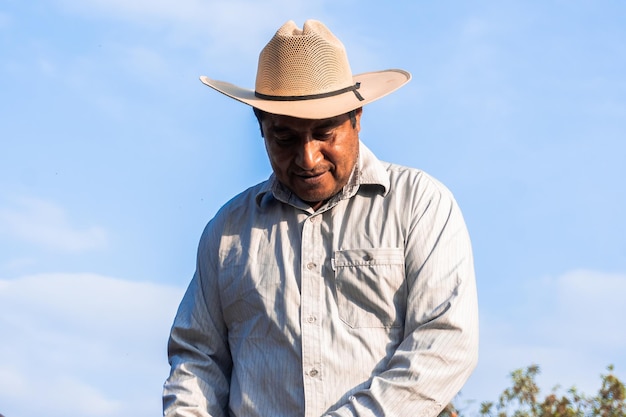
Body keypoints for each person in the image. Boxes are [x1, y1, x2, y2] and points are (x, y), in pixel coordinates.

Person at [163, 19, 479, 417]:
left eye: (325, 132)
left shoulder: (419, 204)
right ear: (261, 127)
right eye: (285, 138)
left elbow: (445, 344)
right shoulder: (227, 232)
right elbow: (197, 359)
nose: (308, 158)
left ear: (357, 118)